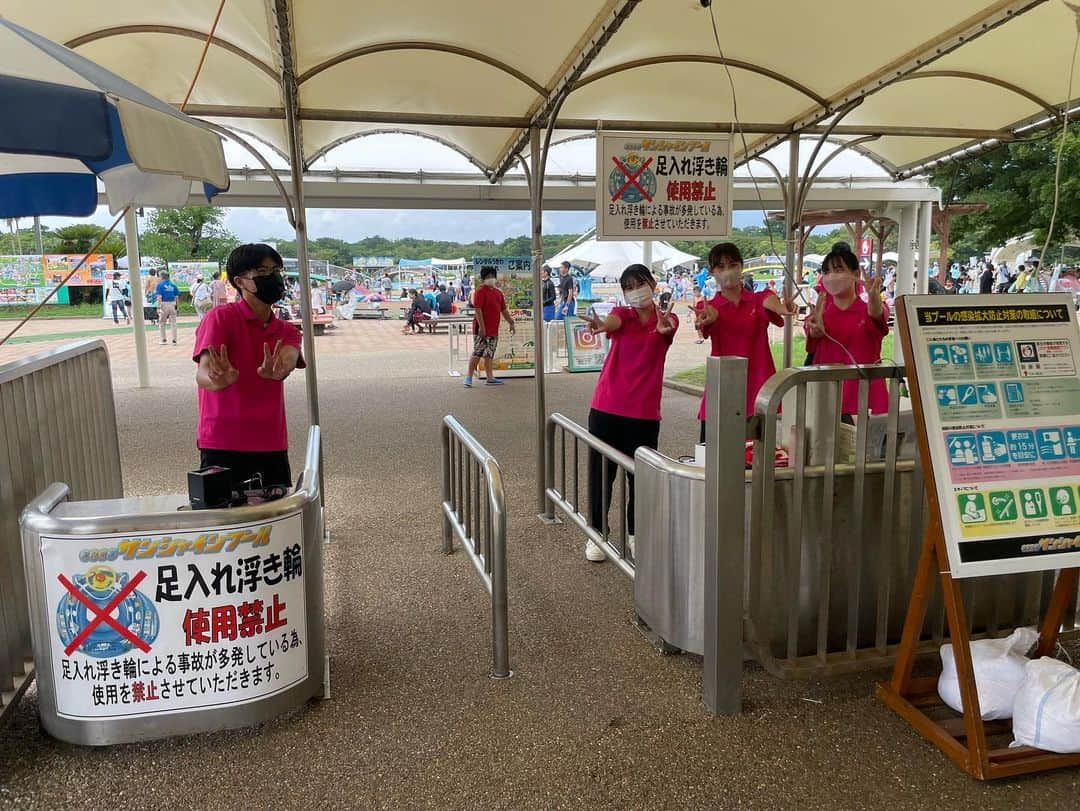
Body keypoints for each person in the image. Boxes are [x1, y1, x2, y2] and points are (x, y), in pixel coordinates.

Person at [581, 264, 678, 562]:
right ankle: (597, 533)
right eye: (629, 286)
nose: (636, 290)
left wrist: (665, 328)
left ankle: (637, 534)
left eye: (640, 283)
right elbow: (612, 322)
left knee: (641, 479)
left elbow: (668, 329)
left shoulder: (668, 318)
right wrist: (600, 326)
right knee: (601, 474)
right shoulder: (623, 315)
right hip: (606, 407)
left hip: (644, 413)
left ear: (652, 283)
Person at [193, 243, 302, 490]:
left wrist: (281, 370)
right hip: (222, 441)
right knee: (224, 521)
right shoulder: (220, 318)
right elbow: (203, 372)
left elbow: (288, 358)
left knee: (275, 520)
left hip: (270, 441)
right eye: (263, 273)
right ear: (240, 281)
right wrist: (216, 380)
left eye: (276, 271)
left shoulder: (287, 331)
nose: (273, 278)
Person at [694, 243, 792, 443]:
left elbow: (771, 302)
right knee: (714, 461)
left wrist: (782, 308)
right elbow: (703, 325)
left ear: (741, 267)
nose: (727, 271)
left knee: (756, 461)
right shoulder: (708, 307)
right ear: (712, 272)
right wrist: (708, 319)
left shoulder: (759, 299)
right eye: (720, 267)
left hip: (757, 395)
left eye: (732, 264)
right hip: (721, 393)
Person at [804, 242, 890, 415]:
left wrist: (874, 298)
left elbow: (877, 314)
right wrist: (815, 329)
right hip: (825, 402)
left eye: (839, 270)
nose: (831, 276)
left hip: (866, 403)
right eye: (827, 271)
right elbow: (812, 333)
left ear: (856, 274)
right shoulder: (818, 317)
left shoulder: (868, 311)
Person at [464, 266, 515, 388]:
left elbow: (503, 310)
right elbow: (478, 310)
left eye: (492, 276)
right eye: (487, 277)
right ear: (483, 279)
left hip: (493, 329)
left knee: (489, 354)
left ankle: (490, 377)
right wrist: (482, 327)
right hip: (481, 328)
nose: (490, 279)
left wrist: (511, 322)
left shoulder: (498, 293)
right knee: (477, 352)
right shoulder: (480, 291)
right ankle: (469, 377)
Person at [155, 269, 180, 345]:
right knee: (173, 323)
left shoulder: (160, 285)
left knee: (162, 322)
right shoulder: (173, 285)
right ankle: (174, 340)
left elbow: (159, 297)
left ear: (161, 277)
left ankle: (163, 340)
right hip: (173, 304)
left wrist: (158, 307)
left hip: (164, 304)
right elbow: (176, 297)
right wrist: (177, 307)